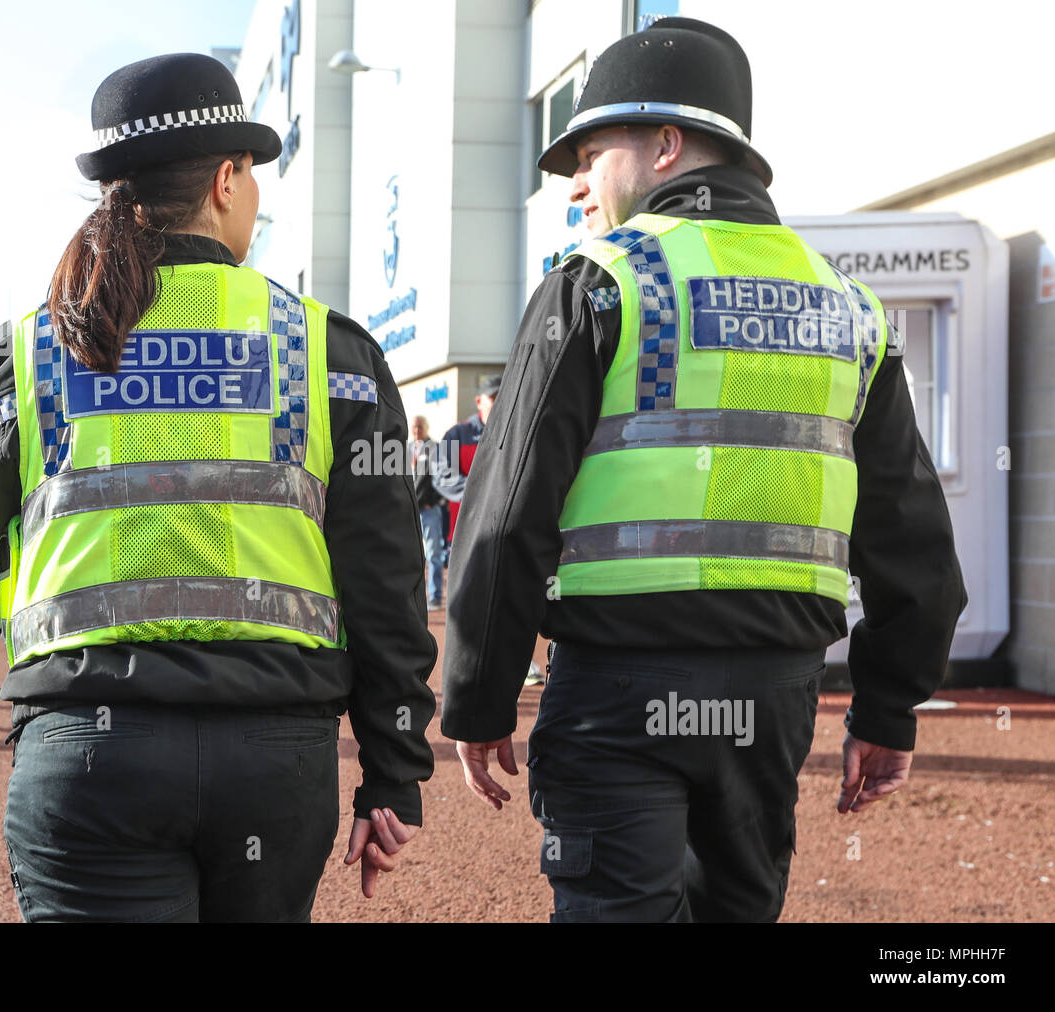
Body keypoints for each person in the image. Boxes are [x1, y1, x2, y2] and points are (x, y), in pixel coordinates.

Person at [441, 18, 966, 922]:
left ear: (666, 147)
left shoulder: (600, 282)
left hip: (615, 692)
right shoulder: (846, 309)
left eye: (590, 151)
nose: (576, 181)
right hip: (772, 703)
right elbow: (913, 538)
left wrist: (480, 694)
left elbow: (506, 512)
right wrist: (888, 711)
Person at [0, 52, 436, 922]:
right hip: (275, 759)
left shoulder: (35, 348)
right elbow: (385, 579)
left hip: (87, 752)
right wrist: (393, 772)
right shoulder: (328, 353)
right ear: (228, 178)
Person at [433, 374, 499, 543]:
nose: (500, 405)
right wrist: (485, 494)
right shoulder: (458, 434)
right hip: (465, 535)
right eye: (493, 398)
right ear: (479, 402)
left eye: (504, 399)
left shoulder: (517, 435)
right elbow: (443, 476)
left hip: (502, 533)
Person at [409, 416, 445, 609]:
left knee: (433, 555)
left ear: (426, 428)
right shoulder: (407, 449)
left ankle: (435, 596)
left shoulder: (435, 448)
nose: (416, 430)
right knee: (411, 556)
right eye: (414, 427)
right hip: (410, 511)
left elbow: (430, 479)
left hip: (428, 510)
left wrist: (429, 500)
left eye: (420, 427)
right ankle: (413, 598)